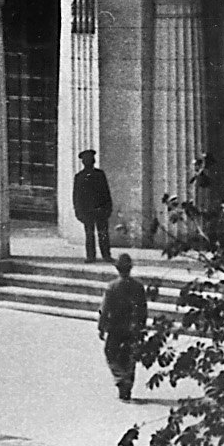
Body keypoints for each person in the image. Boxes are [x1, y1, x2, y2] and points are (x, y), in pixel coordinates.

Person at [97, 253, 151, 403]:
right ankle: (127, 383)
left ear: (117, 269)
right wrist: (142, 326)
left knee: (111, 354)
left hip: (115, 327)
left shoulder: (112, 287)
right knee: (129, 356)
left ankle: (121, 379)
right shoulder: (138, 286)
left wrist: (101, 327)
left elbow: (105, 308)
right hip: (132, 327)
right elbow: (143, 309)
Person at [70, 148, 113, 262]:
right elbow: (76, 196)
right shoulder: (79, 177)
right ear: (83, 162)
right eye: (87, 159)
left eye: (91, 159)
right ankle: (90, 256)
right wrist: (78, 211)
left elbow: (106, 192)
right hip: (87, 211)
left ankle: (106, 255)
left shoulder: (100, 174)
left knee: (103, 233)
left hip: (101, 209)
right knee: (89, 234)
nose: (89, 161)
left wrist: (108, 208)